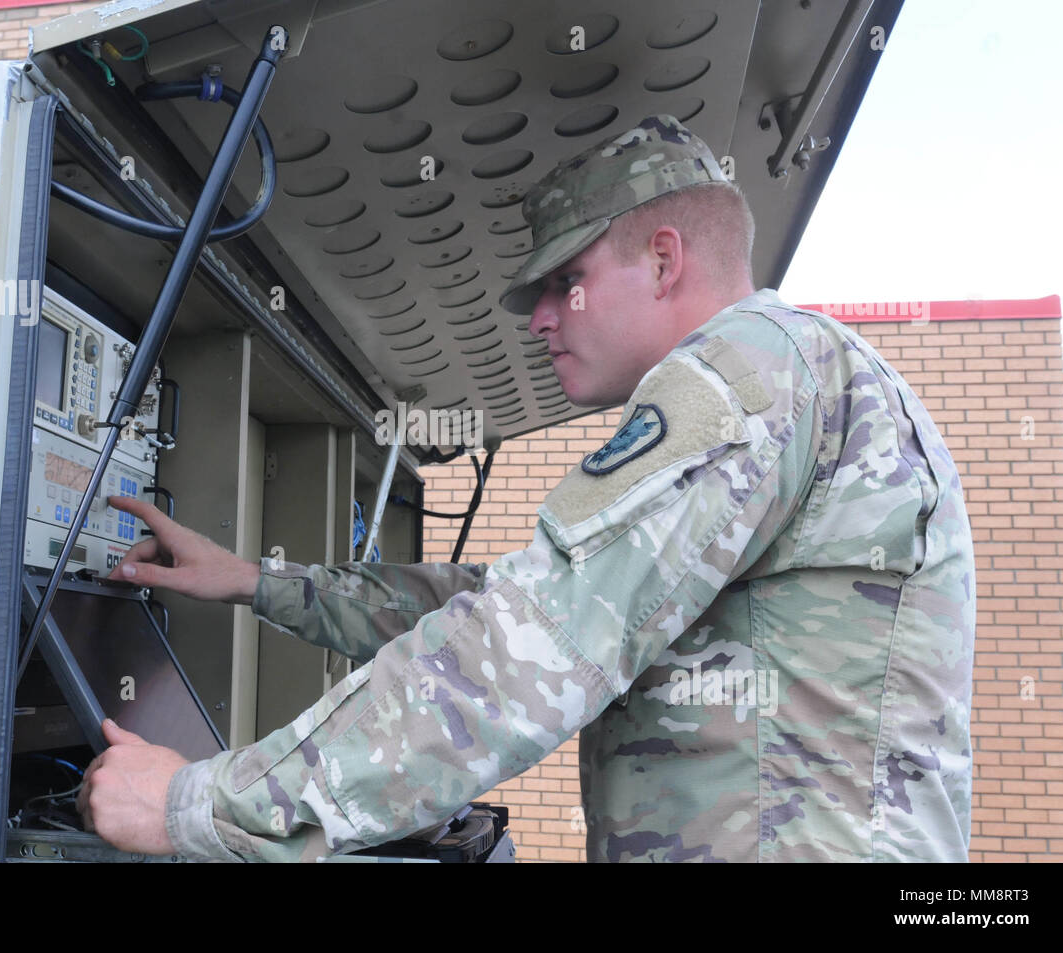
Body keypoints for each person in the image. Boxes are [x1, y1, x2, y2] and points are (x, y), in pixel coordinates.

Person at [77, 115, 976, 862]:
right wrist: (252, 581)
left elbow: (524, 649)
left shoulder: (747, 370)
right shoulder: (799, 374)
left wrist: (198, 804)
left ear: (664, 261)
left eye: (566, 282)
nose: (542, 319)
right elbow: (512, 602)